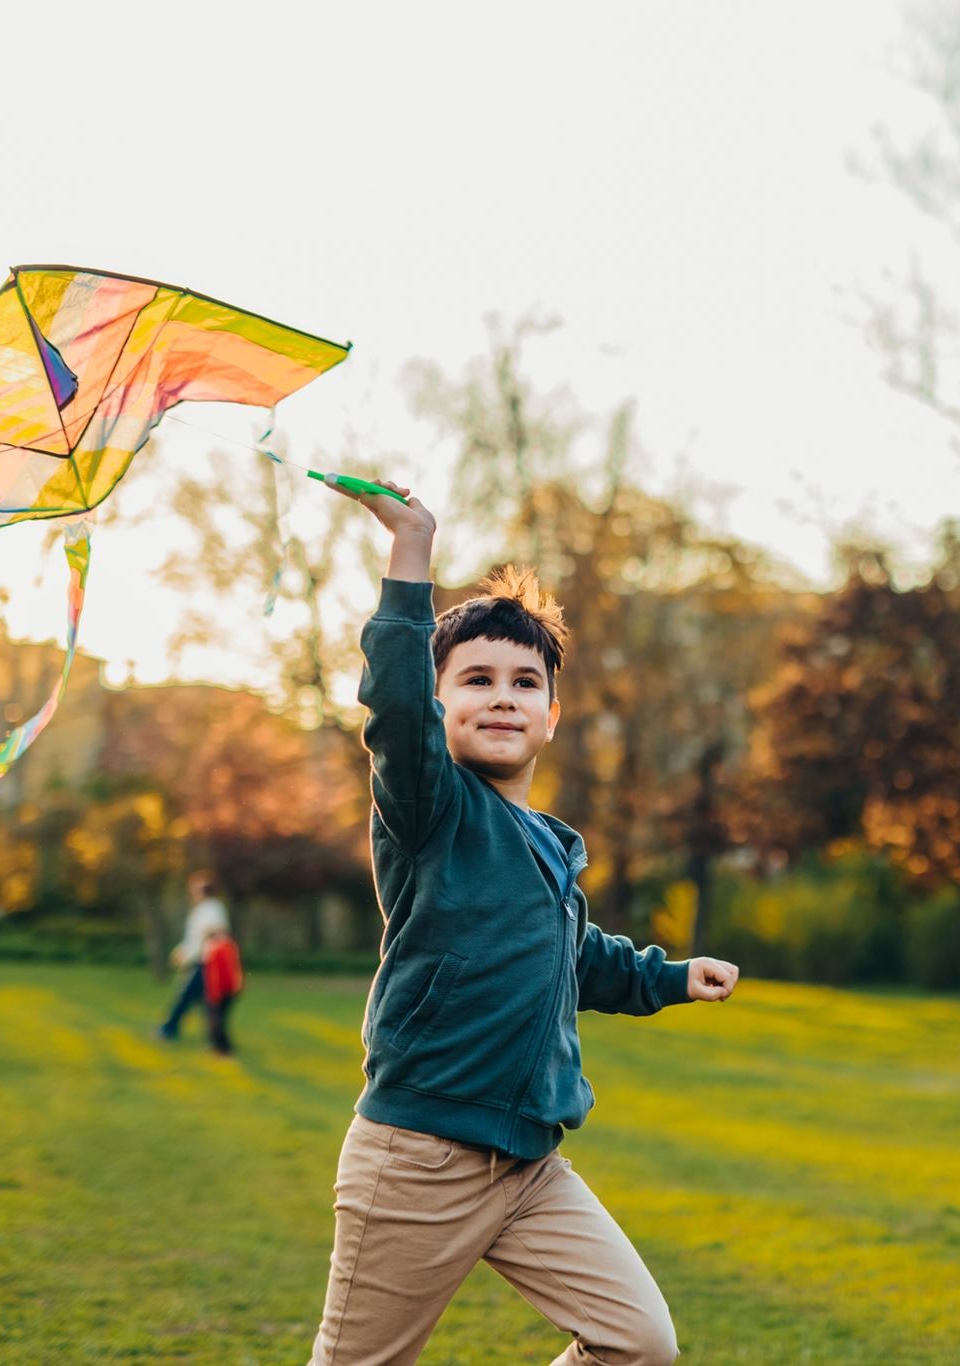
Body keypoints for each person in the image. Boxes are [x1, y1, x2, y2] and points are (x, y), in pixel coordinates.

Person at [306, 477, 740, 1366]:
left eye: (523, 682)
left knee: (637, 1342)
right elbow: (392, 711)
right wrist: (411, 549)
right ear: (438, 705)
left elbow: (571, 957)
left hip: (531, 1167)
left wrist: (665, 978)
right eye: (474, 680)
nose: (501, 696)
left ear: (550, 715)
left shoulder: (547, 844)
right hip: (420, 1159)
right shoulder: (433, 812)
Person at [158, 872, 228, 1042]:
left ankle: (169, 1030)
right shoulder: (202, 909)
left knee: (188, 997)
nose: (192, 893)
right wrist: (183, 952)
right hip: (199, 960)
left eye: (195, 890)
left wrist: (188, 953)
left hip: (207, 962)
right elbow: (195, 938)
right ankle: (214, 1037)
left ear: (203, 891)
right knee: (198, 1000)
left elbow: (214, 932)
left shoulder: (212, 907)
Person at [202, 926, 244, 1057]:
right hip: (231, 989)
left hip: (219, 991)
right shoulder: (230, 945)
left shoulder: (213, 949)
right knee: (221, 1019)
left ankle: (223, 1048)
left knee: (216, 1020)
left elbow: (213, 975)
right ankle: (220, 1046)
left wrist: (213, 994)